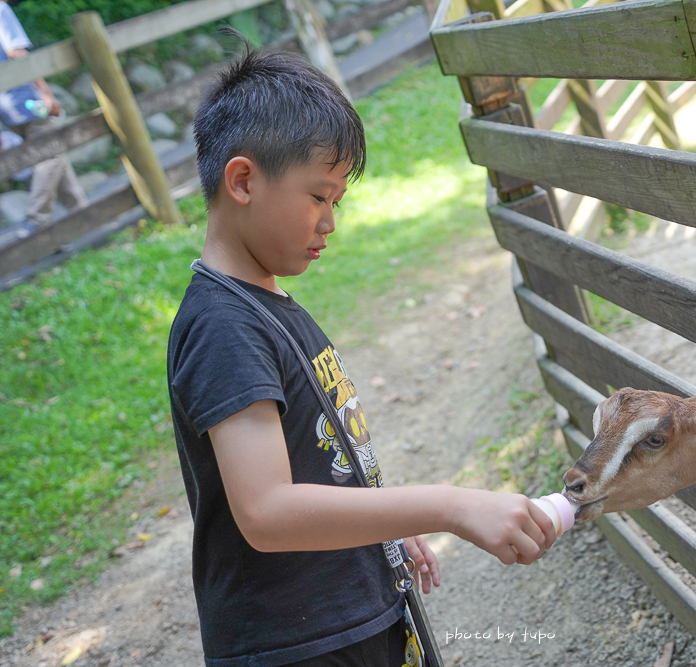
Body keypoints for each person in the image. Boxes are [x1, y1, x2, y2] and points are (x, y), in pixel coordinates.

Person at [167, 43, 557, 667]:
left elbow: (313, 463)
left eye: (337, 202)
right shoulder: (223, 326)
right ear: (243, 181)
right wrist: (450, 505)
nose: (330, 222)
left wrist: (384, 525)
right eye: (319, 196)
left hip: (344, 620)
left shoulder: (262, 303)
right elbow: (267, 511)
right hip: (299, 645)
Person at [0, 0, 86, 227]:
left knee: (53, 154)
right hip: (27, 98)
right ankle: (36, 219)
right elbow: (18, 54)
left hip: (6, 106)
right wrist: (46, 93)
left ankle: (81, 215)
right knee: (50, 153)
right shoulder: (1, 9)